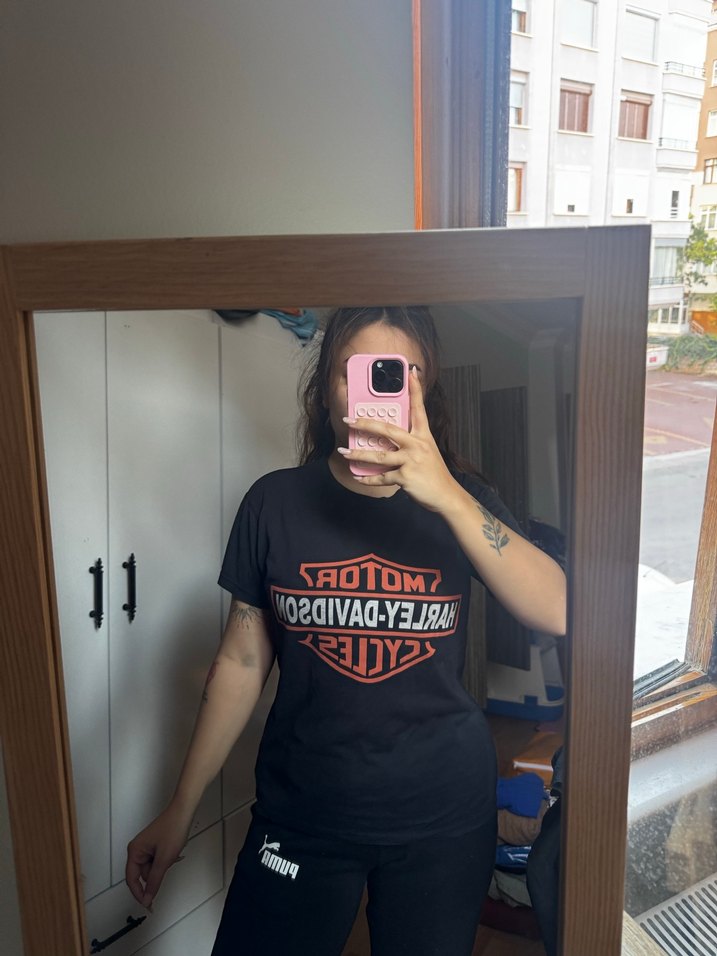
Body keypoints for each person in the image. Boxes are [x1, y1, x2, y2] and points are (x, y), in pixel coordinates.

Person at [125, 306, 567, 956]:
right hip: (302, 811)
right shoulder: (273, 503)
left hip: (443, 816)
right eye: (358, 372)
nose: (381, 393)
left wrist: (446, 493)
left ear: (424, 393)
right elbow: (241, 664)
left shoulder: (462, 501)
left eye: (405, 374)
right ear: (328, 390)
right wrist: (180, 809)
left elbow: (559, 609)